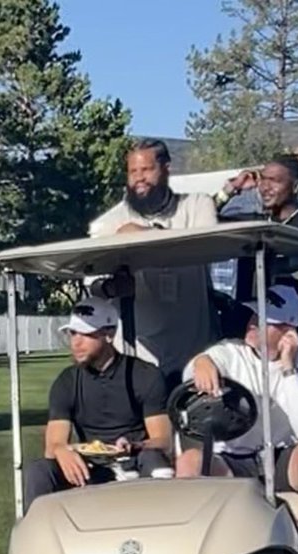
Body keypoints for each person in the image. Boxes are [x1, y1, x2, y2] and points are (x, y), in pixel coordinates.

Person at [175, 285, 298, 554]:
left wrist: (288, 371)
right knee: (189, 460)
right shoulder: (230, 352)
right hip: (231, 459)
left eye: (263, 320)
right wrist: (201, 364)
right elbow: (202, 365)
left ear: (287, 331)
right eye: (253, 316)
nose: (252, 323)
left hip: (280, 459)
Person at [89, 139, 219, 389]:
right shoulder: (109, 222)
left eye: (146, 170)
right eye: (133, 171)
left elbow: (206, 248)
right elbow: (92, 282)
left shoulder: (197, 205)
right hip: (138, 352)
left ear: (166, 168)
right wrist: (111, 289)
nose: (139, 178)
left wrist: (145, 233)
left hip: (195, 350)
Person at [24, 299, 172, 507]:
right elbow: (53, 444)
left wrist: (135, 446)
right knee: (39, 471)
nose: (76, 342)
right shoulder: (67, 381)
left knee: (157, 465)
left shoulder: (144, 375)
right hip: (89, 464)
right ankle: (37, 535)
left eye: (85, 334)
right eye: (73, 333)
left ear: (108, 334)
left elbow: (163, 439)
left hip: (135, 459)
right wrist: (62, 451)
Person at [217, 156, 298, 352]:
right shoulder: (255, 224)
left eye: (275, 181)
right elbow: (205, 218)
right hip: (246, 327)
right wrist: (231, 189)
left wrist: (268, 261)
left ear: (296, 187)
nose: (264, 187)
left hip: (291, 331)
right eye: (263, 179)